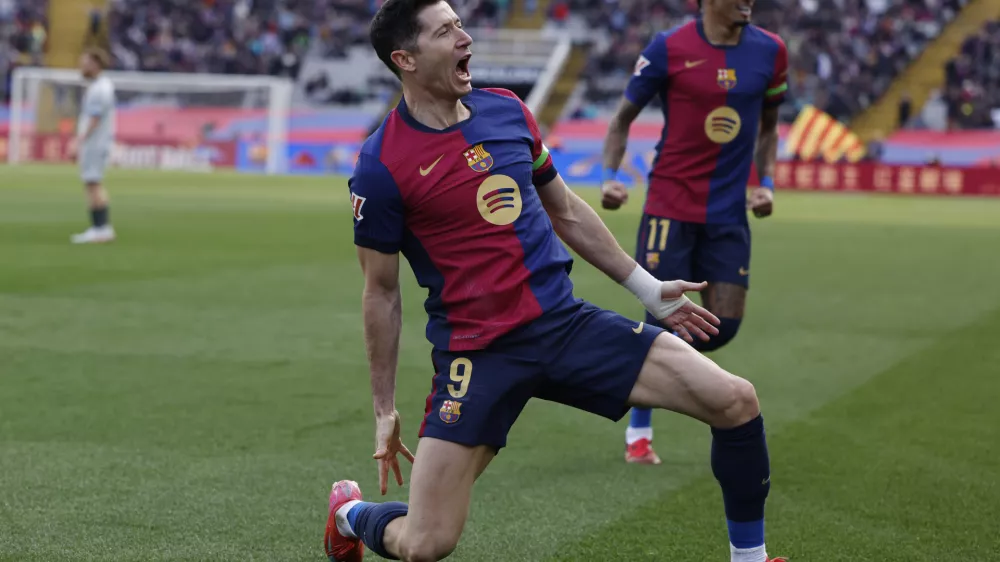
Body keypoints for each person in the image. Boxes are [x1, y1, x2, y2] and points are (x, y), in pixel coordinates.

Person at [325, 2, 783, 561]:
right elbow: (382, 291)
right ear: (407, 59)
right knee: (425, 544)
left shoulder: (508, 112)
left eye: (461, 23)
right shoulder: (381, 164)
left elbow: (564, 210)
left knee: (735, 400)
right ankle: (350, 514)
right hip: (479, 355)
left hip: (565, 326)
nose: (465, 37)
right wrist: (383, 408)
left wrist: (645, 287)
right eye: (446, 31)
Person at [600, 0, 786, 465]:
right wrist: (611, 177)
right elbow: (622, 118)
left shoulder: (771, 51)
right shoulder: (669, 48)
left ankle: (636, 364)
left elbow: (768, 128)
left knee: (724, 324)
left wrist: (765, 184)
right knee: (669, 320)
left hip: (728, 214)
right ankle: (638, 434)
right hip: (669, 207)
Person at [69, 48, 117, 244]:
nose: (82, 66)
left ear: (95, 64)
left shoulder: (99, 89)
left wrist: (78, 140)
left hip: (95, 143)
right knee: (93, 183)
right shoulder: (102, 86)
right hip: (98, 142)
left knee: (93, 183)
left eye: (85, 62)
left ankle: (100, 228)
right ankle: (102, 228)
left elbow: (94, 119)